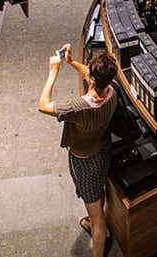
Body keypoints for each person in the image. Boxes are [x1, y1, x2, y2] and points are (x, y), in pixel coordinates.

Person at [38, 44, 118, 257]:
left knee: (98, 218)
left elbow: (43, 105)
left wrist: (52, 73)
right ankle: (94, 216)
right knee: (96, 191)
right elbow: (93, 76)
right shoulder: (113, 92)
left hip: (84, 162)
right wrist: (72, 62)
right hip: (102, 151)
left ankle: (98, 240)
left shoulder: (78, 108)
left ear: (92, 79)